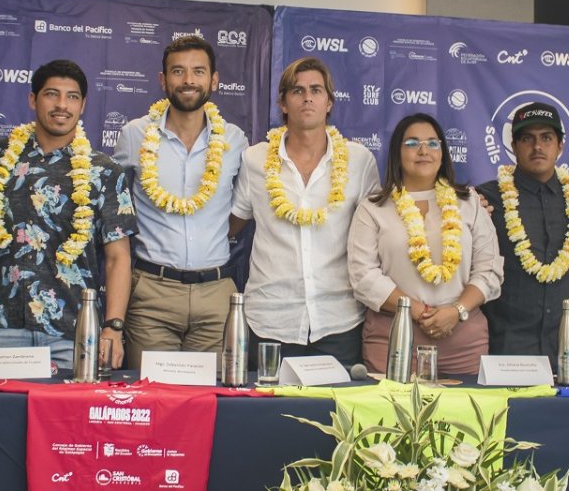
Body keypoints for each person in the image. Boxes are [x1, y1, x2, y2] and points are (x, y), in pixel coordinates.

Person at [0, 59, 137, 372]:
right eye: (52, 94)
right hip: (2, 326)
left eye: (72, 96)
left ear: (83, 104)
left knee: (69, 421)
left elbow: (118, 258)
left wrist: (113, 327)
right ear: (33, 99)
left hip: (73, 330)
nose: (62, 105)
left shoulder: (104, 171)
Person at [229, 57, 379, 367]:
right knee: (267, 415)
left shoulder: (359, 160)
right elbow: (233, 224)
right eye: (297, 91)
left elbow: (381, 228)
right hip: (270, 320)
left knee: (334, 416)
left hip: (339, 321)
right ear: (282, 103)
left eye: (316, 90)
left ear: (329, 103)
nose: (307, 97)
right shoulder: (254, 160)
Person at [113, 36, 248, 367]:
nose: (189, 80)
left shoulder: (234, 139)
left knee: (212, 405)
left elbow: (242, 207)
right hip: (152, 294)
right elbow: (115, 210)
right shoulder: (134, 135)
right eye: (178, 71)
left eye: (198, 71)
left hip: (216, 294)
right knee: (152, 402)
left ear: (214, 80)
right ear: (163, 80)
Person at [348, 113, 503, 374]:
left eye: (433, 143)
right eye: (412, 143)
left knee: (463, 415)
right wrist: (417, 311)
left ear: (443, 153)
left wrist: (456, 310)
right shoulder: (373, 207)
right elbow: (363, 275)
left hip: (463, 339)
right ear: (397, 152)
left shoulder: (469, 203)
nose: (423, 151)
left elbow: (489, 269)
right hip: (394, 338)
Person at [477, 102, 569, 368]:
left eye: (546, 138)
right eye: (527, 138)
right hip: (506, 345)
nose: (537, 147)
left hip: (568, 344)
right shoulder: (486, 199)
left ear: (560, 146)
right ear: (514, 147)